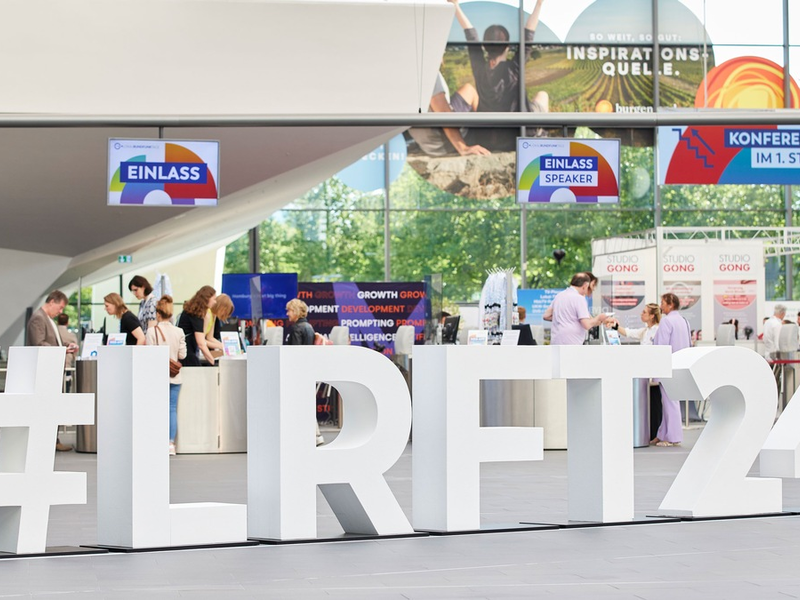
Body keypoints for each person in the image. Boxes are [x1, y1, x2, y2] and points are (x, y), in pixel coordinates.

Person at [449, 0, 549, 146]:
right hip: (521, 133)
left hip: (490, 137)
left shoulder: (480, 70)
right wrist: (539, 4)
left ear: (484, 46)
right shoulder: (514, 68)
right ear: (507, 46)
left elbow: (471, 35)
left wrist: (455, 6)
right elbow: (528, 33)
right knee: (542, 95)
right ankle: (541, 137)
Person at [26, 289, 79, 452]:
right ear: (51, 302)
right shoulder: (38, 318)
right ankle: (48, 441)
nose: (61, 311)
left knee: (51, 406)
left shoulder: (47, 319)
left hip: (51, 369)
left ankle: (53, 439)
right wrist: (62, 350)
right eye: (60, 307)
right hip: (44, 371)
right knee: (46, 406)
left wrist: (64, 348)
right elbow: (39, 344)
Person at [608, 303, 662, 440]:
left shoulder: (658, 330)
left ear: (651, 316)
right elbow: (629, 332)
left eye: (644, 312)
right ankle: (651, 433)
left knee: (655, 404)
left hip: (654, 373)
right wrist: (615, 326)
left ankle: (656, 433)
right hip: (645, 372)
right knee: (650, 403)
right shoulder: (645, 331)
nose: (641, 314)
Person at [408, 71, 491, 157]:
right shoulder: (428, 72)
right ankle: (488, 138)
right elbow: (442, 112)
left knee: (467, 89)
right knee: (469, 90)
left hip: (427, 145)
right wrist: (463, 148)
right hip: (443, 142)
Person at [145, 295, 187, 456]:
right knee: (171, 409)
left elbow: (150, 355)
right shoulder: (179, 331)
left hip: (157, 377)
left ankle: (156, 440)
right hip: (175, 377)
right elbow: (182, 355)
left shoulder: (151, 331)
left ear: (158, 313)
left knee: (157, 409)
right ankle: (170, 444)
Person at [651, 293, 691, 447]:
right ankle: (662, 434)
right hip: (680, 365)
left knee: (670, 402)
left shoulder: (666, 321)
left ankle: (673, 437)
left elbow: (661, 345)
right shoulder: (684, 321)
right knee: (670, 401)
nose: (661, 306)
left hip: (667, 366)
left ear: (670, 304)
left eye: (662, 302)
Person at [285, 298, 325, 446]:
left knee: (299, 403)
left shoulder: (296, 328)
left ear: (295, 311)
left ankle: (314, 435)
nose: (287, 313)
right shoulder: (309, 327)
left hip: (298, 373)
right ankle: (315, 435)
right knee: (305, 403)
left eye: (289, 310)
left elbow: (295, 353)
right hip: (307, 371)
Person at [543, 272, 609, 345]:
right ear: (585, 285)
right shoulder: (579, 298)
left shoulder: (559, 295)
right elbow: (586, 324)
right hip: (572, 342)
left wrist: (566, 318)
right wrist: (599, 317)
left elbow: (546, 316)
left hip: (556, 341)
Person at [177, 285, 218, 366]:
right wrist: (213, 362)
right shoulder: (196, 315)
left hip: (185, 351)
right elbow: (201, 343)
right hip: (188, 353)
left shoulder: (192, 311)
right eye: (214, 299)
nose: (215, 302)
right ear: (207, 299)